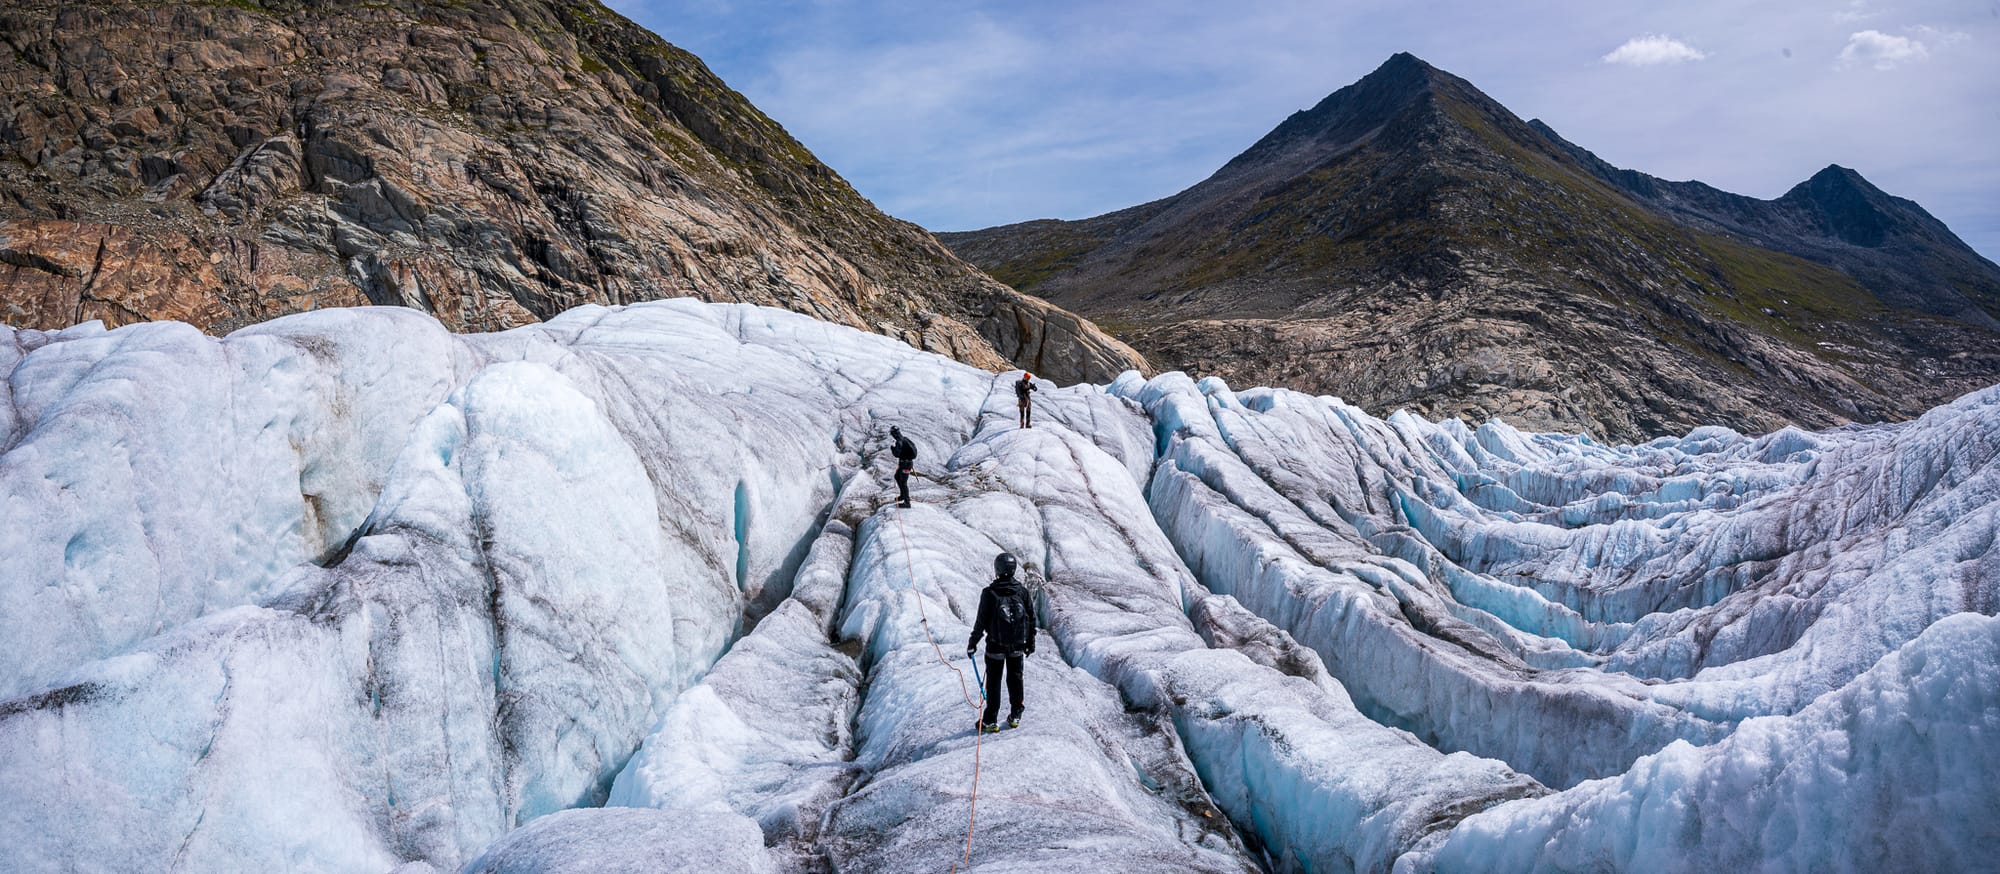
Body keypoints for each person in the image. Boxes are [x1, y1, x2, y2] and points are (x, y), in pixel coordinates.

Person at [967, 552, 1036, 731]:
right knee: (1015, 679)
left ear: (997, 569)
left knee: (994, 681)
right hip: (1017, 645)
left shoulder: (989, 593)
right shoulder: (1022, 592)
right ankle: (1015, 715)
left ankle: (990, 720)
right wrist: (1030, 642)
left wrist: (973, 642)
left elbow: (981, 621)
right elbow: (1031, 618)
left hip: (995, 646)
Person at [890, 426, 917, 509]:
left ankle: (907, 502)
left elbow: (896, 454)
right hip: (907, 463)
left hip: (905, 464)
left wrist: (892, 449)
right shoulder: (905, 439)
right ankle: (902, 495)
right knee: (897, 477)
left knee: (903, 482)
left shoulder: (899, 442)